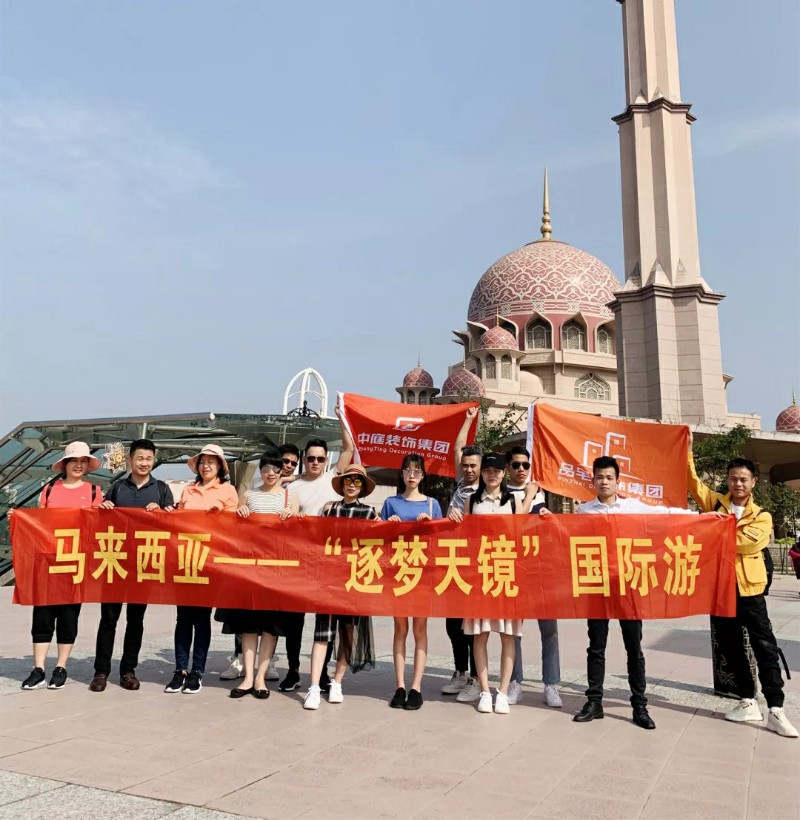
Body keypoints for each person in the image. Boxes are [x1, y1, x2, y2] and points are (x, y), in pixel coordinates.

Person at [571, 455, 693, 730]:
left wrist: (706, 518)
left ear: (618, 481)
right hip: (597, 585)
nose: (604, 482)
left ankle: (639, 705)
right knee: (596, 647)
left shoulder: (633, 507)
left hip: (629, 584)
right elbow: (564, 538)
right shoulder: (584, 512)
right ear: (593, 480)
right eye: (600, 477)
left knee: (633, 648)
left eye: (609, 477)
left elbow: (668, 515)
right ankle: (594, 702)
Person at [688, 450, 798, 738]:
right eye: (733, 479)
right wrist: (686, 449)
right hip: (720, 589)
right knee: (731, 646)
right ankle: (747, 699)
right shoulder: (715, 503)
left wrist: (711, 533)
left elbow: (748, 545)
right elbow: (692, 482)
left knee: (764, 646)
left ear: (753, 482)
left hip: (750, 589)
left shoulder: (762, 516)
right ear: (727, 480)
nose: (737, 484)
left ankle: (776, 708)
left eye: (743, 479)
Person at [90, 439, 174, 692]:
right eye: (140, 458)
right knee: (108, 619)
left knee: (135, 621)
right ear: (130, 460)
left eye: (149, 459)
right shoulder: (117, 487)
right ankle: (101, 672)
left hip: (143, 564)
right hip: (115, 561)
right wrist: (105, 507)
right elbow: (100, 522)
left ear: (154, 460)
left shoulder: (161, 489)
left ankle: (128, 670)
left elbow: (173, 524)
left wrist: (162, 512)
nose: (144, 463)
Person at [279, 411, 353, 693]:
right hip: (301, 559)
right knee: (294, 619)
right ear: (304, 458)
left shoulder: (334, 479)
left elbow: (348, 449)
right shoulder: (293, 486)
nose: (315, 463)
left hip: (330, 561)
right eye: (311, 458)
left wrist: (342, 417)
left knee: (326, 620)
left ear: (326, 460)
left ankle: (321, 673)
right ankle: (293, 670)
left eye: (320, 459)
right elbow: (289, 517)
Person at [21, 442, 103, 691]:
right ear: (65, 464)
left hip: (76, 563)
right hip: (48, 562)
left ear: (87, 466)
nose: (79, 465)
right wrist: (19, 519)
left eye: (83, 461)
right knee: (42, 616)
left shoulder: (94, 492)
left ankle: (61, 667)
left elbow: (99, 527)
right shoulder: (49, 490)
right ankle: (38, 668)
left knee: (68, 616)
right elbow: (38, 522)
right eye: (74, 461)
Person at [463, 453, 538, 714]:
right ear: (481, 473)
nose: (492, 474)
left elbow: (523, 526)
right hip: (480, 574)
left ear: (503, 473)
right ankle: (485, 690)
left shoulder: (513, 501)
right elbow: (464, 535)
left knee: (508, 635)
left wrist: (530, 496)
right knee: (480, 634)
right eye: (487, 470)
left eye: (496, 470)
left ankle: (503, 692)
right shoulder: (472, 500)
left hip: (507, 572)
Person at [223, 449, 299, 700]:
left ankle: (260, 678)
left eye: (276, 469)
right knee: (249, 625)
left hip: (276, 570)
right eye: (266, 468)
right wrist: (240, 513)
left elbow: (298, 531)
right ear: (261, 470)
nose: (271, 473)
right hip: (251, 569)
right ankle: (247, 677)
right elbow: (235, 528)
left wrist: (293, 518)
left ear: (282, 471)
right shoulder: (249, 495)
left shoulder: (289, 496)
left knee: (270, 626)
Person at [164, 444, 239, 695]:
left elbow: (234, 527)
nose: (206, 466)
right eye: (202, 462)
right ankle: (180, 670)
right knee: (183, 618)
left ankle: (197, 671)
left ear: (220, 466)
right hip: (185, 560)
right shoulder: (188, 489)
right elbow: (179, 521)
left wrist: (220, 515)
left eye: (211, 462)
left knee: (201, 618)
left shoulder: (228, 491)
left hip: (209, 562)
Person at [303, 464, 378, 709]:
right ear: (342, 484)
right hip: (328, 581)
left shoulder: (369, 512)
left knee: (347, 634)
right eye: (348, 481)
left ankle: (337, 682)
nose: (352, 485)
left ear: (362, 487)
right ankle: (314, 686)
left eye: (357, 482)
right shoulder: (329, 509)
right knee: (322, 634)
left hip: (354, 582)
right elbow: (315, 536)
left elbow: (381, 540)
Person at [381, 453, 443, 710]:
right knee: (400, 629)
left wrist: (429, 525)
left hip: (422, 574)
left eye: (417, 471)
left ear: (423, 475)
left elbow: (440, 540)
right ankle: (399, 685)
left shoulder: (432, 504)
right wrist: (388, 524)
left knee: (420, 629)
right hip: (398, 573)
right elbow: (379, 538)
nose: (412, 475)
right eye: (408, 470)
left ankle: (416, 687)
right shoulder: (390, 502)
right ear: (402, 473)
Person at [504, 445, 562, 709]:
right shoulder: (502, 494)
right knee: (514, 630)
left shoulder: (542, 492)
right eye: (516, 465)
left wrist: (550, 519)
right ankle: (515, 681)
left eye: (525, 465)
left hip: (541, 568)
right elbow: (513, 525)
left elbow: (551, 530)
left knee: (549, 629)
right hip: (515, 568)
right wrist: (528, 496)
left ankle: (551, 684)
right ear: (508, 468)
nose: (521, 469)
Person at [443, 406, 480, 700]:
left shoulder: (487, 492)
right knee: (453, 623)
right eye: (465, 465)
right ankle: (460, 672)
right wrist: (467, 421)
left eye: (472, 465)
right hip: (452, 561)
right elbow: (457, 448)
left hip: (475, 565)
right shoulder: (460, 484)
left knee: (473, 625)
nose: (468, 469)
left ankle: (477, 679)